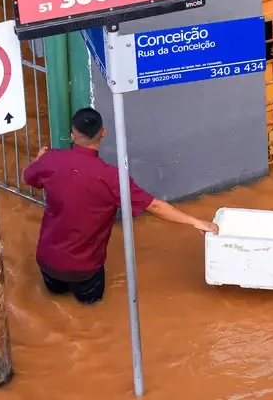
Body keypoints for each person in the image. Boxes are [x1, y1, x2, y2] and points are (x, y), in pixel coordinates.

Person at [22, 108, 218, 305]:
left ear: (73, 136)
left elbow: (28, 177)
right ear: (103, 133)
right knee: (91, 309)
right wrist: (194, 221)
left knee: (53, 303)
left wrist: (39, 158)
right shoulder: (112, 178)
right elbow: (155, 206)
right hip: (85, 269)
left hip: (48, 262)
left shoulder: (50, 160)